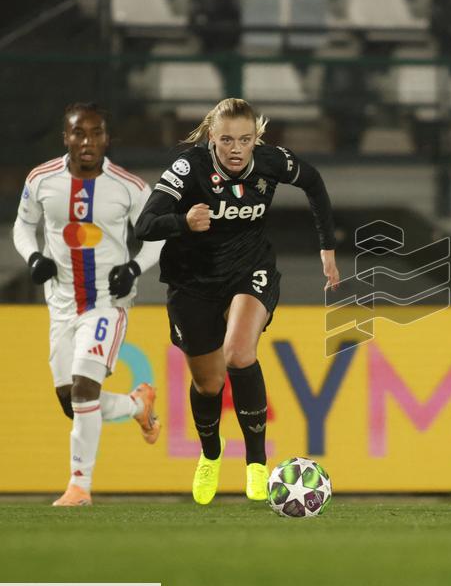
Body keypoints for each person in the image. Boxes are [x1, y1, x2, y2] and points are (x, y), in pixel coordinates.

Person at [135, 98, 338, 505]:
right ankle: (211, 453)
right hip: (193, 280)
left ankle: (256, 463)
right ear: (212, 136)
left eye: (245, 140)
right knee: (208, 384)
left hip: (250, 269)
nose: (236, 149)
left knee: (239, 353)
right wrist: (183, 222)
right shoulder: (188, 168)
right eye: (227, 139)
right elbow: (144, 225)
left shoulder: (271, 162)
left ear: (255, 138)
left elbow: (313, 182)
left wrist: (327, 248)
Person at [12, 102, 164, 507]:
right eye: (79, 133)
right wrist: (33, 257)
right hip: (62, 304)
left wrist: (133, 268)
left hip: (108, 303)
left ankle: (79, 487)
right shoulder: (41, 179)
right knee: (72, 403)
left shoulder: (130, 187)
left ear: (106, 139)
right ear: (66, 137)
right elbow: (23, 225)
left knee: (83, 389)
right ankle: (136, 405)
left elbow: (157, 237)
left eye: (96, 133)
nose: (87, 141)